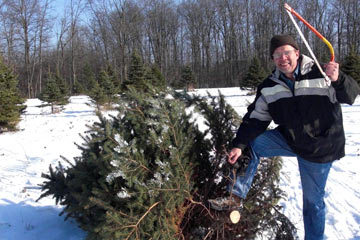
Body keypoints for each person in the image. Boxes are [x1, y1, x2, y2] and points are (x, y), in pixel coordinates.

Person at [208, 34, 360, 240]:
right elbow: (256, 118)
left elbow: (350, 95)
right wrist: (238, 145)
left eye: (286, 52)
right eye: (276, 55)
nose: (282, 58)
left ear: (297, 53)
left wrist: (339, 79)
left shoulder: (321, 73)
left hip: (320, 146)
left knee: (312, 203)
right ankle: (235, 196)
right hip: (291, 138)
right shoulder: (270, 85)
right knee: (251, 145)